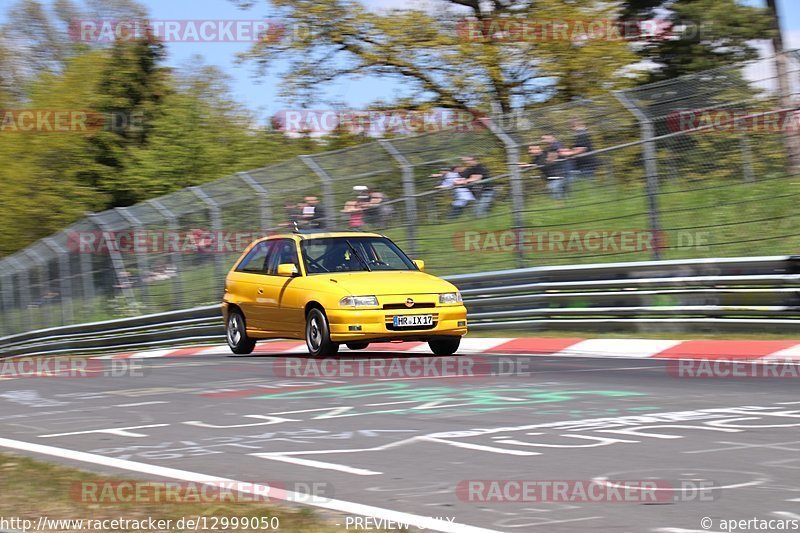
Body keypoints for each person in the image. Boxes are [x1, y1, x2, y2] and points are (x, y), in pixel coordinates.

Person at [527, 134, 571, 200]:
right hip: (552, 178)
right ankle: (564, 203)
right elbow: (532, 165)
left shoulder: (545, 153)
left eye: (532, 150)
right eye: (530, 150)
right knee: (556, 191)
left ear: (538, 149)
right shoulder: (536, 158)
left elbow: (546, 163)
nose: (530, 151)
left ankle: (561, 204)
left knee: (553, 188)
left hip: (558, 176)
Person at [560, 118, 598, 185]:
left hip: (587, 165)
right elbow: (578, 148)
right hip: (582, 165)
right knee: (583, 184)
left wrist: (568, 153)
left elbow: (582, 149)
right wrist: (568, 151)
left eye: (572, 126)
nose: (572, 129)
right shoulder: (581, 134)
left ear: (575, 125)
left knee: (588, 185)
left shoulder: (582, 134)